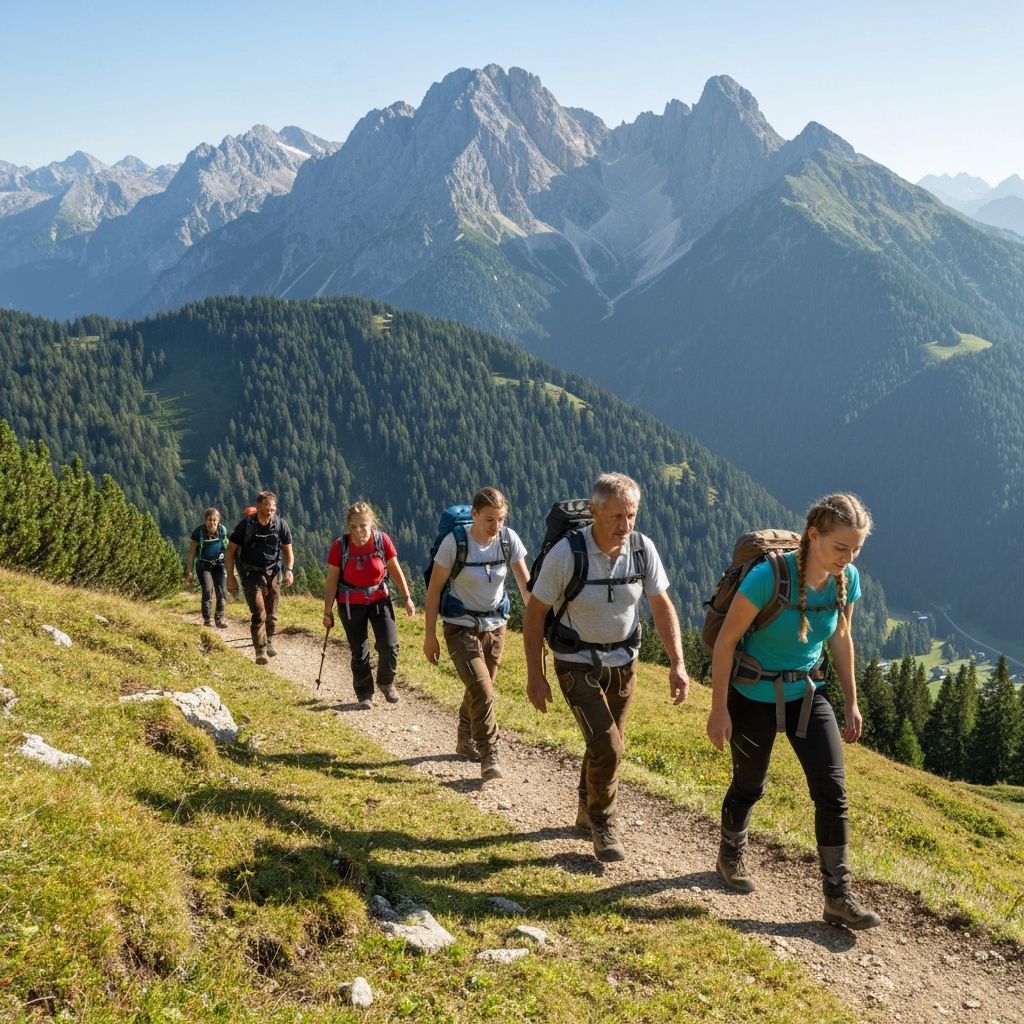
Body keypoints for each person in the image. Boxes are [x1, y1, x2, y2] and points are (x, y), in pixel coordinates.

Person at [706, 492, 881, 930]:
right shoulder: (767, 577)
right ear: (814, 535)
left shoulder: (849, 580)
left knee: (833, 792)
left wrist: (852, 701)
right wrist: (718, 710)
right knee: (750, 785)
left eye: (856, 548)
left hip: (807, 693)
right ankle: (730, 853)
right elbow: (725, 643)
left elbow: (841, 639)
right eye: (840, 547)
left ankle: (837, 896)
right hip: (750, 695)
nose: (849, 557)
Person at [524, 472, 690, 862]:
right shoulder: (566, 555)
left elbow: (661, 606)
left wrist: (678, 663)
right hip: (575, 659)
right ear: (594, 511)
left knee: (604, 743)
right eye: (616, 516)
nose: (625, 525)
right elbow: (534, 615)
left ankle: (586, 808)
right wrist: (536, 674)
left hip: (624, 661)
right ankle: (603, 821)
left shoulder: (642, 549)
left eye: (631, 515)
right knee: (608, 745)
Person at [424, 487, 530, 781]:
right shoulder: (454, 543)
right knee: (483, 690)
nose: (496, 527)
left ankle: (464, 734)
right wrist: (429, 634)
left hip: (496, 625)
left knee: (481, 688)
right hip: (460, 626)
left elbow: (525, 585)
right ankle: (489, 752)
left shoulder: (509, 540)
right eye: (489, 520)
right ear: (474, 515)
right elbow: (433, 592)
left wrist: (540, 621)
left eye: (500, 519)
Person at [322, 501, 416, 708]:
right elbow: (332, 579)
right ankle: (364, 694)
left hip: (380, 600)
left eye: (363, 525)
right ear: (348, 526)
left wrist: (407, 597)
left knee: (389, 646)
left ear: (372, 522)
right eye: (353, 526)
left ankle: (386, 682)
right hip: (350, 604)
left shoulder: (382, 541)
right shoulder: (341, 546)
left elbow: (394, 569)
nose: (358, 531)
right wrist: (327, 610)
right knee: (359, 650)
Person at [225, 491, 294, 665]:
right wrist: (231, 578)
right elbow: (230, 551)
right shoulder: (245, 526)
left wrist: (289, 570)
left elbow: (288, 550)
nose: (270, 512)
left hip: (272, 574)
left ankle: (269, 639)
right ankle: (260, 650)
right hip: (250, 574)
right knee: (259, 613)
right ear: (258, 507)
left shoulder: (280, 525)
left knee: (272, 614)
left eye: (273, 508)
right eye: (266, 508)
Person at [185, 507, 228, 627]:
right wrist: (189, 571)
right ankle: (207, 619)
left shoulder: (222, 530)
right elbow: (191, 555)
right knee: (208, 590)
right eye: (209, 520)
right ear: (205, 521)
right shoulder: (198, 533)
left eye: (215, 520)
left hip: (219, 564)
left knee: (221, 591)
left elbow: (227, 548)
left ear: (218, 520)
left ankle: (219, 619)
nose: (212, 522)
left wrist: (230, 566)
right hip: (203, 566)